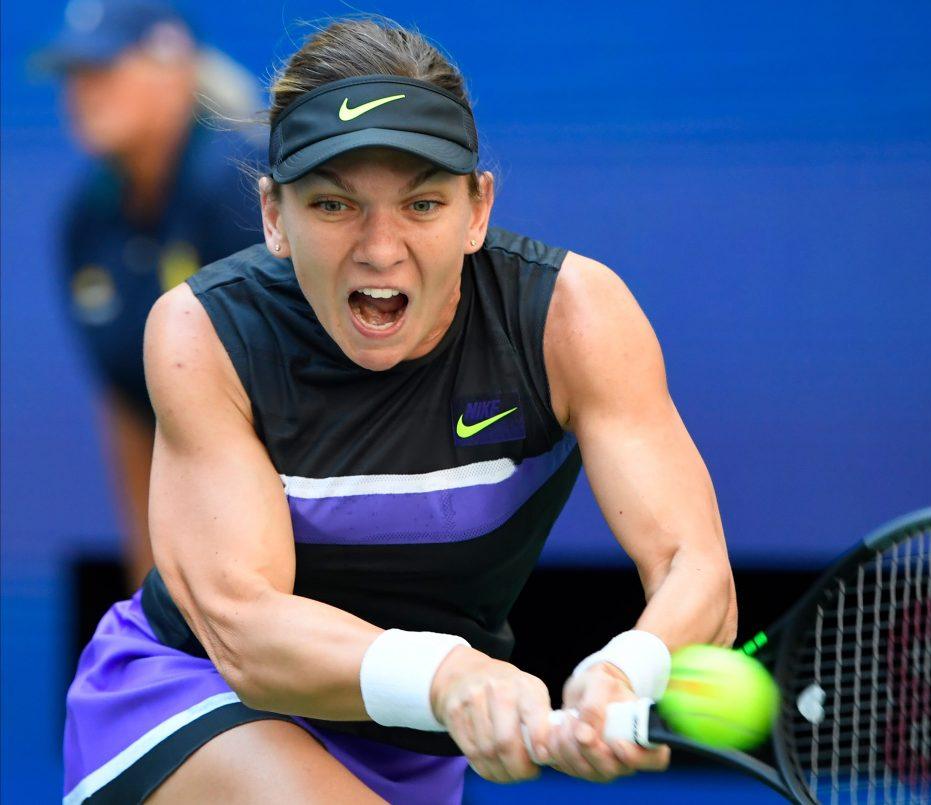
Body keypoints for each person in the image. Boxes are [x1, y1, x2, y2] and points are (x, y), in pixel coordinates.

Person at [62, 17, 738, 804]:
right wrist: (447, 673)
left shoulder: (575, 317)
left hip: (409, 743)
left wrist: (629, 669)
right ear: (274, 217)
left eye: (421, 204)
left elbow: (697, 569)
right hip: (196, 698)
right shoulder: (202, 330)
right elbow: (246, 629)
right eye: (334, 205)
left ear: (477, 208)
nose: (380, 248)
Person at [36, 0, 263, 588]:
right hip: (203, 550)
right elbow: (128, 411)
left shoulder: (242, 186)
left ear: (174, 70)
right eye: (74, 76)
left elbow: (302, 399)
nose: (83, 92)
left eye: (104, 70)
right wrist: (152, 599)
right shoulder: (85, 220)